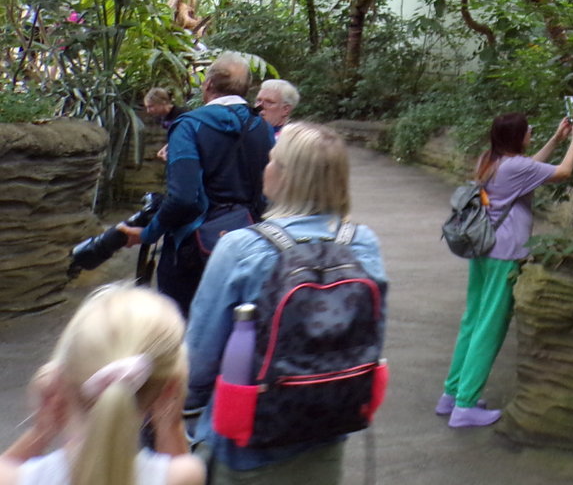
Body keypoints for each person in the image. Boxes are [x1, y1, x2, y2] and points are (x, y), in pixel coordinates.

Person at [186, 123, 386, 485]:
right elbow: (372, 336)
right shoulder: (362, 244)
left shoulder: (242, 248)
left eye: (272, 160)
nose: (266, 166)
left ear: (287, 176)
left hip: (248, 442)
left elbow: (199, 359)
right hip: (328, 429)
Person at [437, 109, 573, 428]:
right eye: (528, 130)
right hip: (504, 255)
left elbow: (531, 168)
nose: (531, 132)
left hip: (482, 250)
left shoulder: (489, 159)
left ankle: (452, 395)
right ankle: (466, 406)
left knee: (473, 320)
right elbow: (563, 172)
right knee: (490, 327)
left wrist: (555, 140)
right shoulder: (516, 166)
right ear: (518, 137)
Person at [0, 283, 205, 485]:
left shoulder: (15, 478)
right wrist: (169, 426)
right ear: (168, 390)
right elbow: (181, 467)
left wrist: (42, 432)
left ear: (60, 380)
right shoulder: (181, 476)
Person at [119, 53, 273, 315]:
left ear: (209, 85)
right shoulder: (262, 127)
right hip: (249, 241)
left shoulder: (189, 126)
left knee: (184, 323)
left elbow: (183, 198)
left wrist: (148, 233)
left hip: (195, 249)